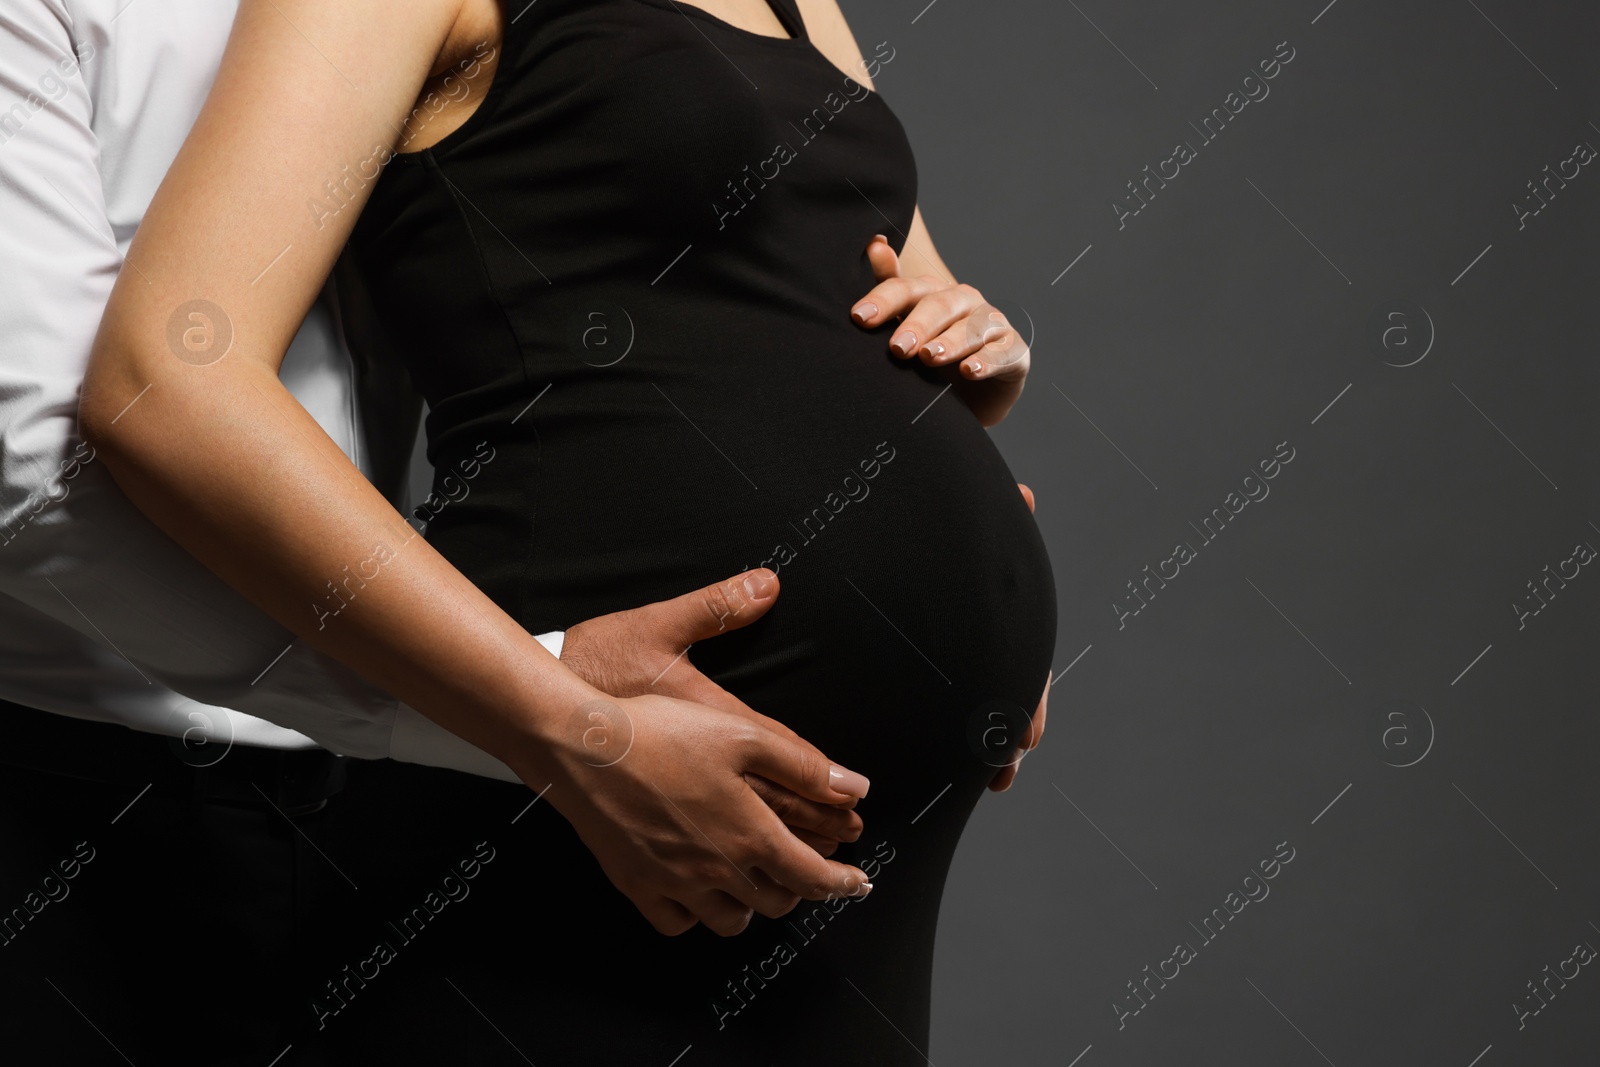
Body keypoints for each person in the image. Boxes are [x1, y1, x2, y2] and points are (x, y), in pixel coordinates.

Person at [75, 0, 1056, 1062]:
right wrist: (566, 727)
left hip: (868, 879)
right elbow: (165, 377)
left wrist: (982, 363)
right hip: (578, 821)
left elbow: (876, 288)